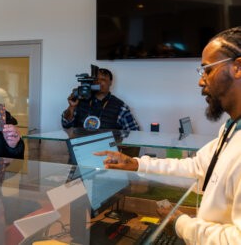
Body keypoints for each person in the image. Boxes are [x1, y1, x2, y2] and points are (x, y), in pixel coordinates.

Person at [94, 26, 241, 244]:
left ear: (237, 67)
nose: (201, 81)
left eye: (207, 70)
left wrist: (180, 223)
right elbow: (196, 169)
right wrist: (136, 164)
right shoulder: (231, 128)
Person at [61, 68, 140, 131]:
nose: (99, 82)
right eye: (96, 79)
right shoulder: (80, 100)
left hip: (106, 149)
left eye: (103, 79)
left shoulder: (120, 107)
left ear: (110, 82)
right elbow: (65, 125)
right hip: (81, 147)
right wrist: (71, 107)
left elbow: (134, 132)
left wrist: (117, 142)